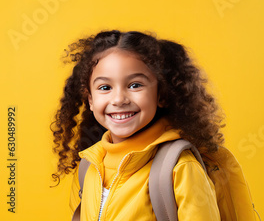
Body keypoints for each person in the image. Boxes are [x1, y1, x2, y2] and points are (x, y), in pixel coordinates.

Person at [51, 30, 225, 220]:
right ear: (90, 99)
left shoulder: (180, 168)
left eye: (135, 85)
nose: (118, 99)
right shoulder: (88, 167)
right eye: (105, 87)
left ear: (161, 95)